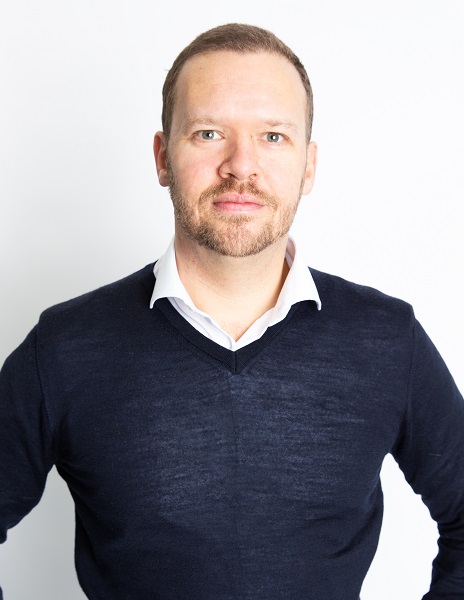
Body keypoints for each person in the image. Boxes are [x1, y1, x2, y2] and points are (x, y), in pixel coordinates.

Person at [0, 22, 463, 600]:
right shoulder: (65, 349)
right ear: (163, 157)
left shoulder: (388, 341)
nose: (242, 165)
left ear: (308, 166)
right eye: (209, 133)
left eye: (273, 136)